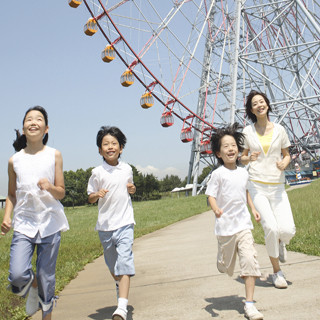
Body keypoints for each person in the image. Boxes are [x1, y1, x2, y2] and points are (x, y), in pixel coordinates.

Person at [1, 106, 69, 320]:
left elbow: (61, 193)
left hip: (50, 222)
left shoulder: (54, 155)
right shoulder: (14, 161)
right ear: (23, 129)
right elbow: (11, 194)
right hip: (24, 223)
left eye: (38, 119)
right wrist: (6, 217)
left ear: (46, 128)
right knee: (18, 274)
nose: (33, 122)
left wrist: (50, 187)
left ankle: (46, 313)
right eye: (29, 119)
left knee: (46, 276)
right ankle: (32, 287)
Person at [206, 123, 264, 320]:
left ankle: (249, 304)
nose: (231, 149)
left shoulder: (243, 172)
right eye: (225, 146)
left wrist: (254, 209)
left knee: (249, 260)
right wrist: (215, 209)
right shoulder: (217, 174)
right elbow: (211, 195)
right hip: (225, 228)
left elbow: (245, 192)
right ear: (218, 153)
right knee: (226, 267)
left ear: (238, 150)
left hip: (243, 226)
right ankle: (221, 259)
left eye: (233, 145)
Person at [241, 90, 296, 289]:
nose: (259, 105)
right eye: (255, 103)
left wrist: (285, 163)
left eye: (261, 101)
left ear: (267, 105)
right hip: (257, 185)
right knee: (270, 228)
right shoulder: (247, 132)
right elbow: (242, 157)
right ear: (251, 109)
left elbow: (287, 154)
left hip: (277, 185)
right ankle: (276, 272)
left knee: (287, 230)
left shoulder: (280, 130)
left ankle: (281, 243)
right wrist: (249, 158)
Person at [87, 126, 136, 320]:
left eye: (114, 143)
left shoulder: (127, 169)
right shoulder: (97, 172)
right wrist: (96, 195)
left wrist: (132, 189)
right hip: (105, 227)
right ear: (99, 150)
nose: (110, 147)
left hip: (125, 223)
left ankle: (122, 308)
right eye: (105, 144)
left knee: (124, 263)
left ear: (121, 148)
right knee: (113, 267)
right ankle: (119, 284)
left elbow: (130, 188)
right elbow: (90, 197)